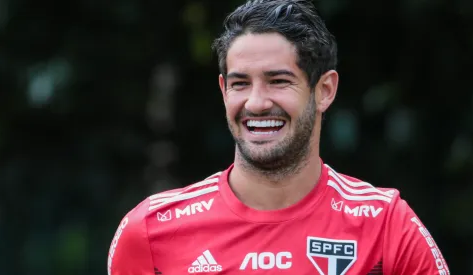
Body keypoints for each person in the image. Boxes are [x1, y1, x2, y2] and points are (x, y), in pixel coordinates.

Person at [107, 0, 450, 274]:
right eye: (241, 83)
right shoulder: (151, 231)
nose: (256, 103)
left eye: (279, 81)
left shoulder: (385, 226)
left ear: (324, 90)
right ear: (224, 90)